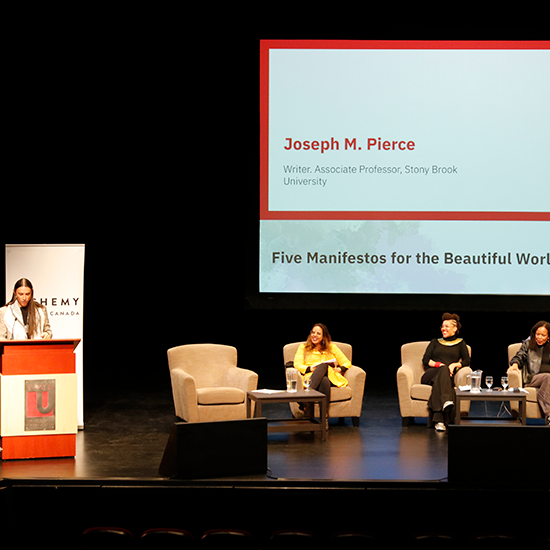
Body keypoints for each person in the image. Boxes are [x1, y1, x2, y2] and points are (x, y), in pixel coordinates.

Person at [293, 323, 350, 425]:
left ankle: (306, 398)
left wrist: (339, 369)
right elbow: (297, 364)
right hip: (312, 377)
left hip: (331, 376)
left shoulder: (332, 347)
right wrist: (310, 368)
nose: (314, 335)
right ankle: (325, 419)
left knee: (323, 366)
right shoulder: (304, 347)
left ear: (323, 337)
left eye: (318, 333)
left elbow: (346, 362)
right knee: (324, 381)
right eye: (313, 332)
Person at [421, 313, 471, 432]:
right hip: (430, 375)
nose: (444, 329)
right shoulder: (435, 342)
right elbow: (426, 360)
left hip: (446, 379)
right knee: (443, 369)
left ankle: (439, 421)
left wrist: (454, 364)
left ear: (455, 329)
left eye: (447, 326)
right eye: (442, 326)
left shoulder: (460, 343)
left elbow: (467, 360)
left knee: (442, 383)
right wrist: (441, 365)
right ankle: (446, 401)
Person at [509, 320, 550, 426]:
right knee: (548, 377)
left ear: (548, 336)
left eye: (543, 335)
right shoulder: (528, 344)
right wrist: (515, 364)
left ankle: (542, 394)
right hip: (533, 378)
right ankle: (548, 415)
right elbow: (519, 356)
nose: (539, 337)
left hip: (547, 381)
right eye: (537, 334)